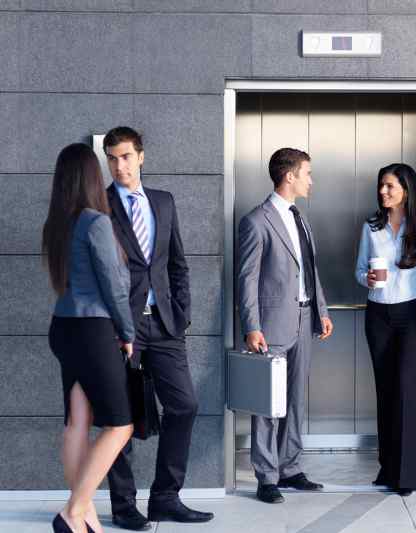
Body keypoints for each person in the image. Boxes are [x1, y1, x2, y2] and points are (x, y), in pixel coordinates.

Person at [102, 127, 213, 529]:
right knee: (121, 420)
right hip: (120, 329)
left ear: (141, 157)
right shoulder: (100, 205)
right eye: (112, 158)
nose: (119, 165)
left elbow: (176, 263)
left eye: (126, 156)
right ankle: (124, 506)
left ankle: (166, 497)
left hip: (165, 325)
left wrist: (181, 314)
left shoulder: (164, 202)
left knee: (184, 405)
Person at [44, 143, 136, 533]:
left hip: (63, 328)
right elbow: (113, 287)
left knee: (77, 422)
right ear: (91, 177)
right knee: (120, 425)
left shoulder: (58, 224)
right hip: (93, 329)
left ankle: (86, 520)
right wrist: (127, 331)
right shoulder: (96, 222)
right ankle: (73, 510)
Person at [238, 147, 333, 504]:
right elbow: (246, 278)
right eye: (307, 173)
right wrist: (251, 325)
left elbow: (310, 269)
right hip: (271, 325)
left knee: (295, 400)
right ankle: (266, 476)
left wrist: (321, 310)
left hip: (305, 319)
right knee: (268, 403)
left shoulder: (300, 219)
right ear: (289, 176)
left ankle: (290, 467)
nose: (311, 179)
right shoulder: (256, 220)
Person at [355, 163, 416, 496]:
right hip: (377, 315)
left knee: (405, 390)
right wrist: (367, 278)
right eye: (381, 186)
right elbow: (359, 270)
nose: (382, 192)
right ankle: (387, 468)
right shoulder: (371, 227)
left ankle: (406, 476)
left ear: (407, 190)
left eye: (389, 186)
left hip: (411, 316)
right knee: (385, 391)